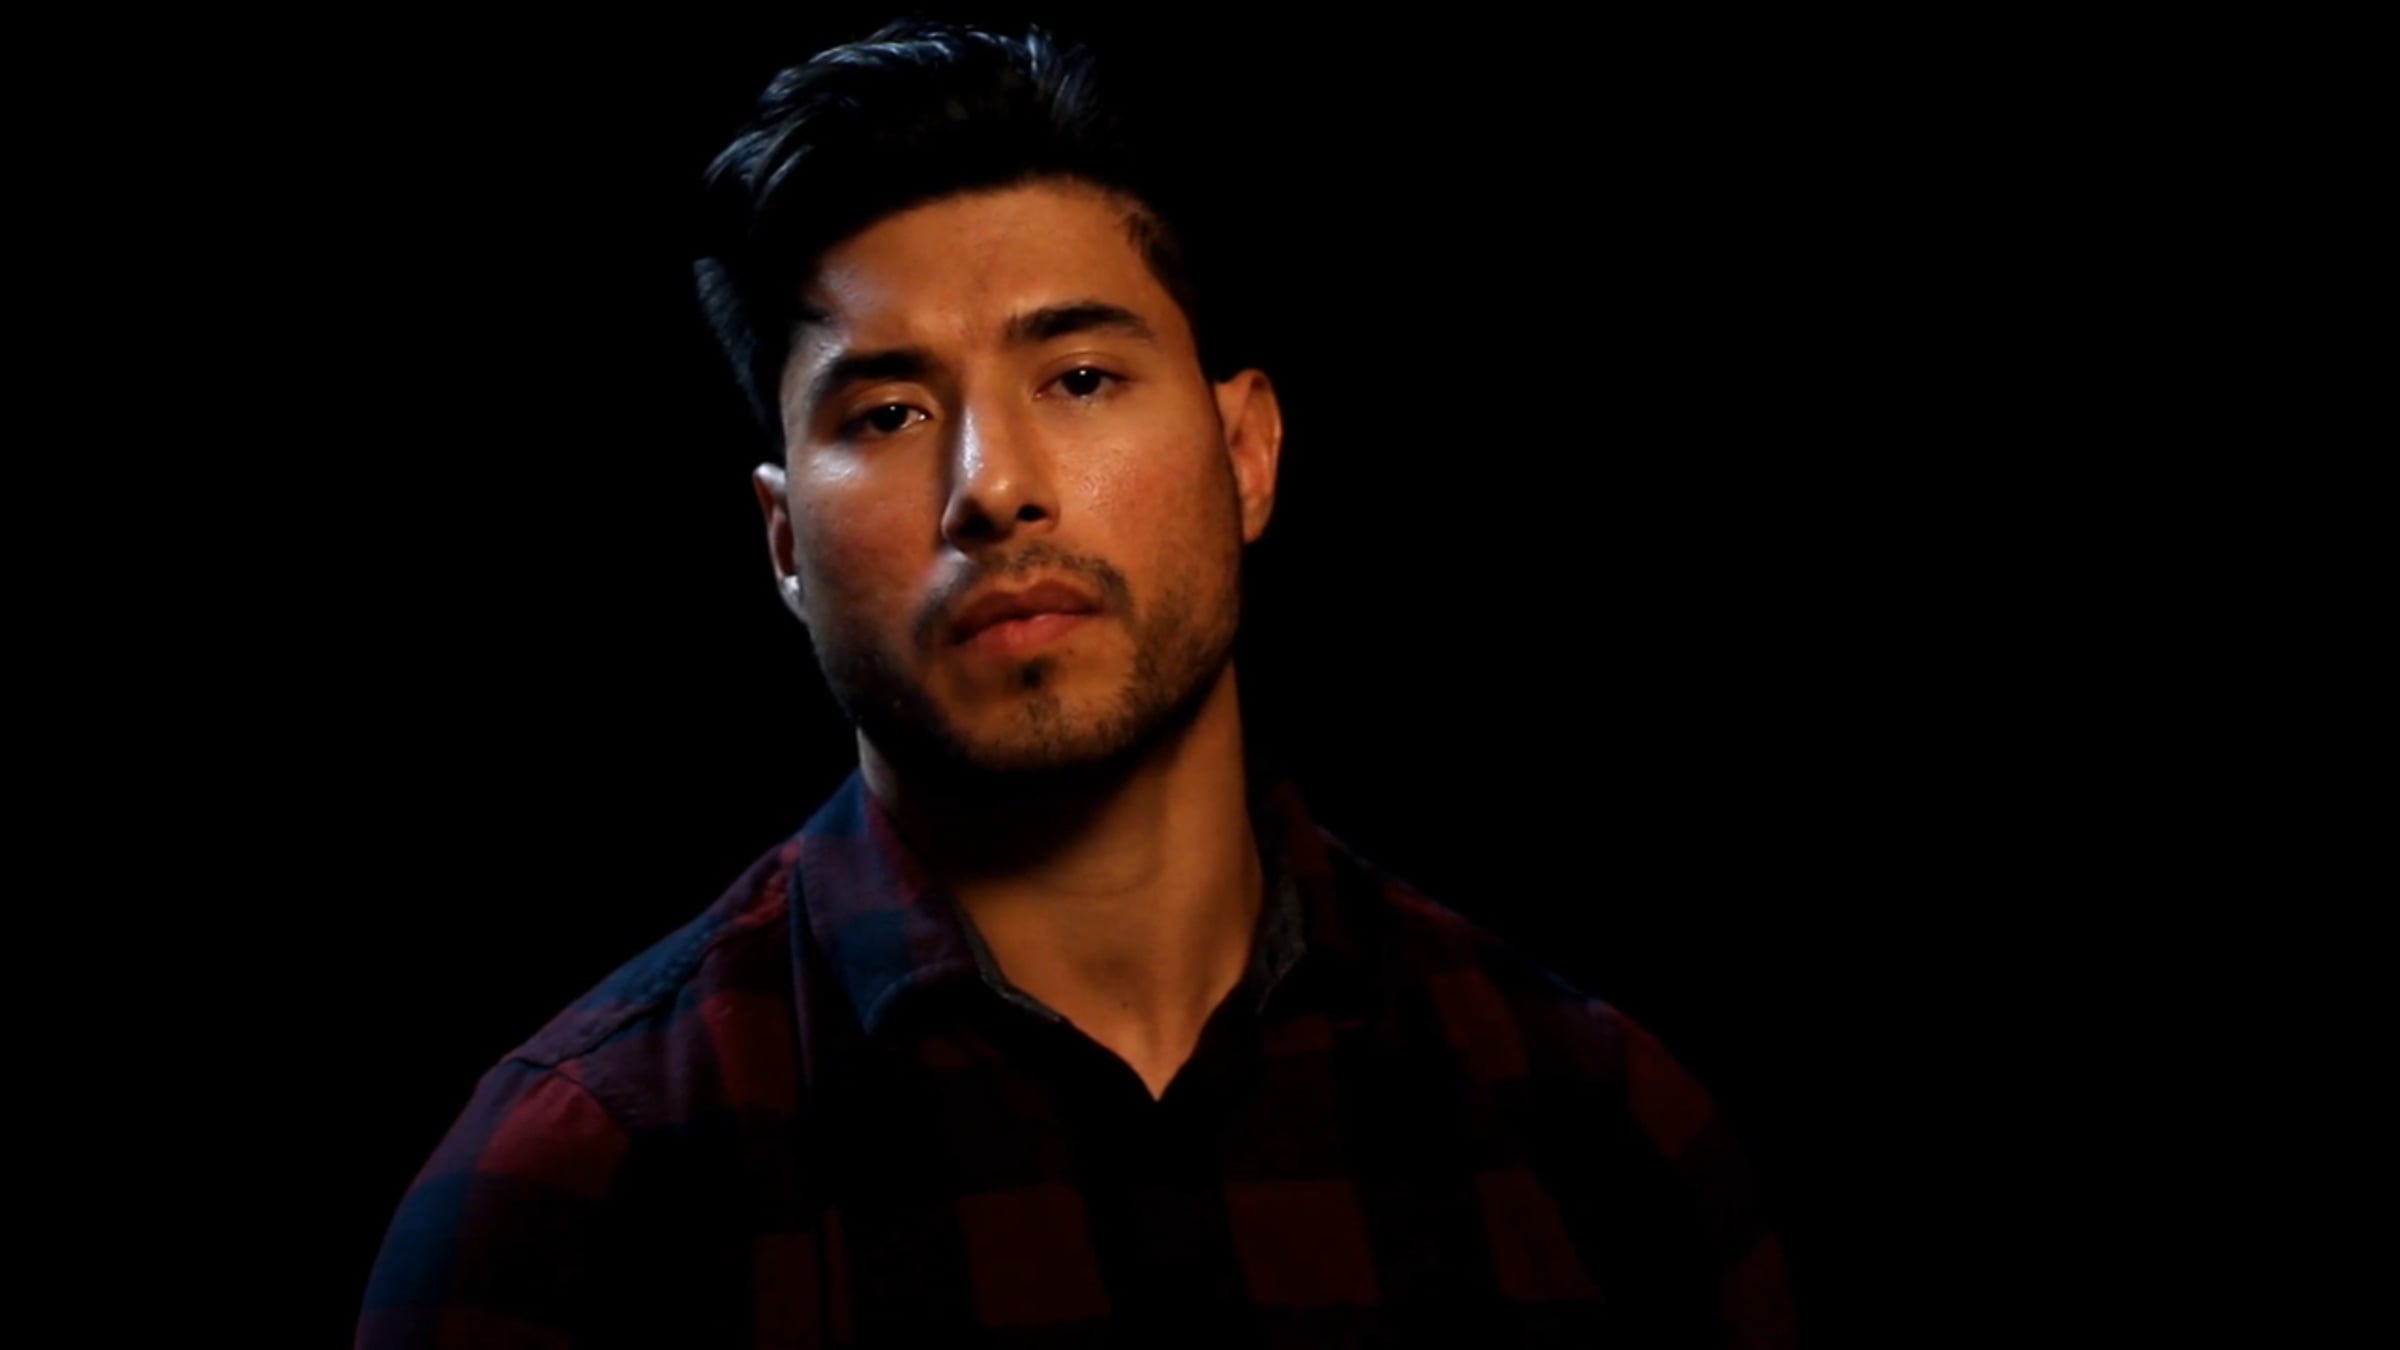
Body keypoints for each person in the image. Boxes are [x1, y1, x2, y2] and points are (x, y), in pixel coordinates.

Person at [357, 19, 1795, 1348]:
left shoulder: (1601, 1131)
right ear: (785, 543)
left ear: (1247, 454)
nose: (992, 488)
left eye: (1082, 379)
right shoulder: (576, 1193)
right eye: (890, 412)